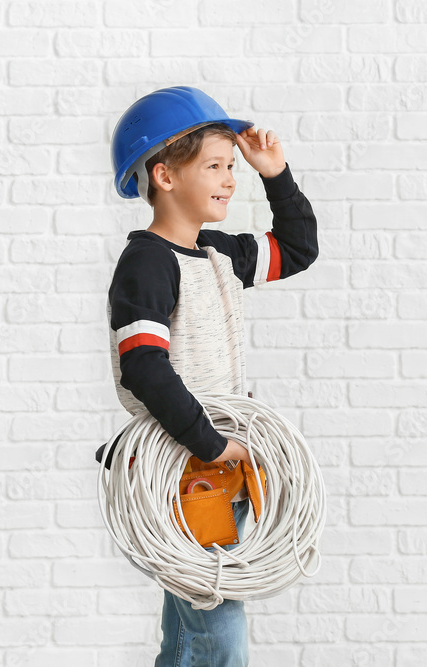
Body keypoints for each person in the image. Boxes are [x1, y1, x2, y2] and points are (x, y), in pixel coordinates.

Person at [97, 86, 319, 666]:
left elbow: (297, 248)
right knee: (218, 634)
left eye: (231, 166)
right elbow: (144, 366)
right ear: (165, 176)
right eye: (216, 166)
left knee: (192, 630)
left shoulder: (217, 254)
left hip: (221, 466)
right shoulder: (147, 262)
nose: (230, 178)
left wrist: (276, 173)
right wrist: (210, 443)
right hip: (189, 467)